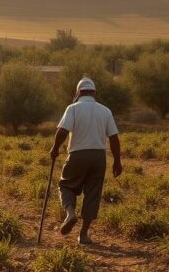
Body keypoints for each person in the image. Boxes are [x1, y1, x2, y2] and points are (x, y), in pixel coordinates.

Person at [48, 76, 123, 245]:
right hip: (98, 157)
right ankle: (83, 235)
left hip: (78, 155)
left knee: (65, 185)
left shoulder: (73, 108)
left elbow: (63, 130)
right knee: (93, 194)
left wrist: (55, 148)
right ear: (94, 93)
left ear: (78, 93)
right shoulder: (105, 110)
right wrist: (117, 161)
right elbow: (114, 138)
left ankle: (70, 214)